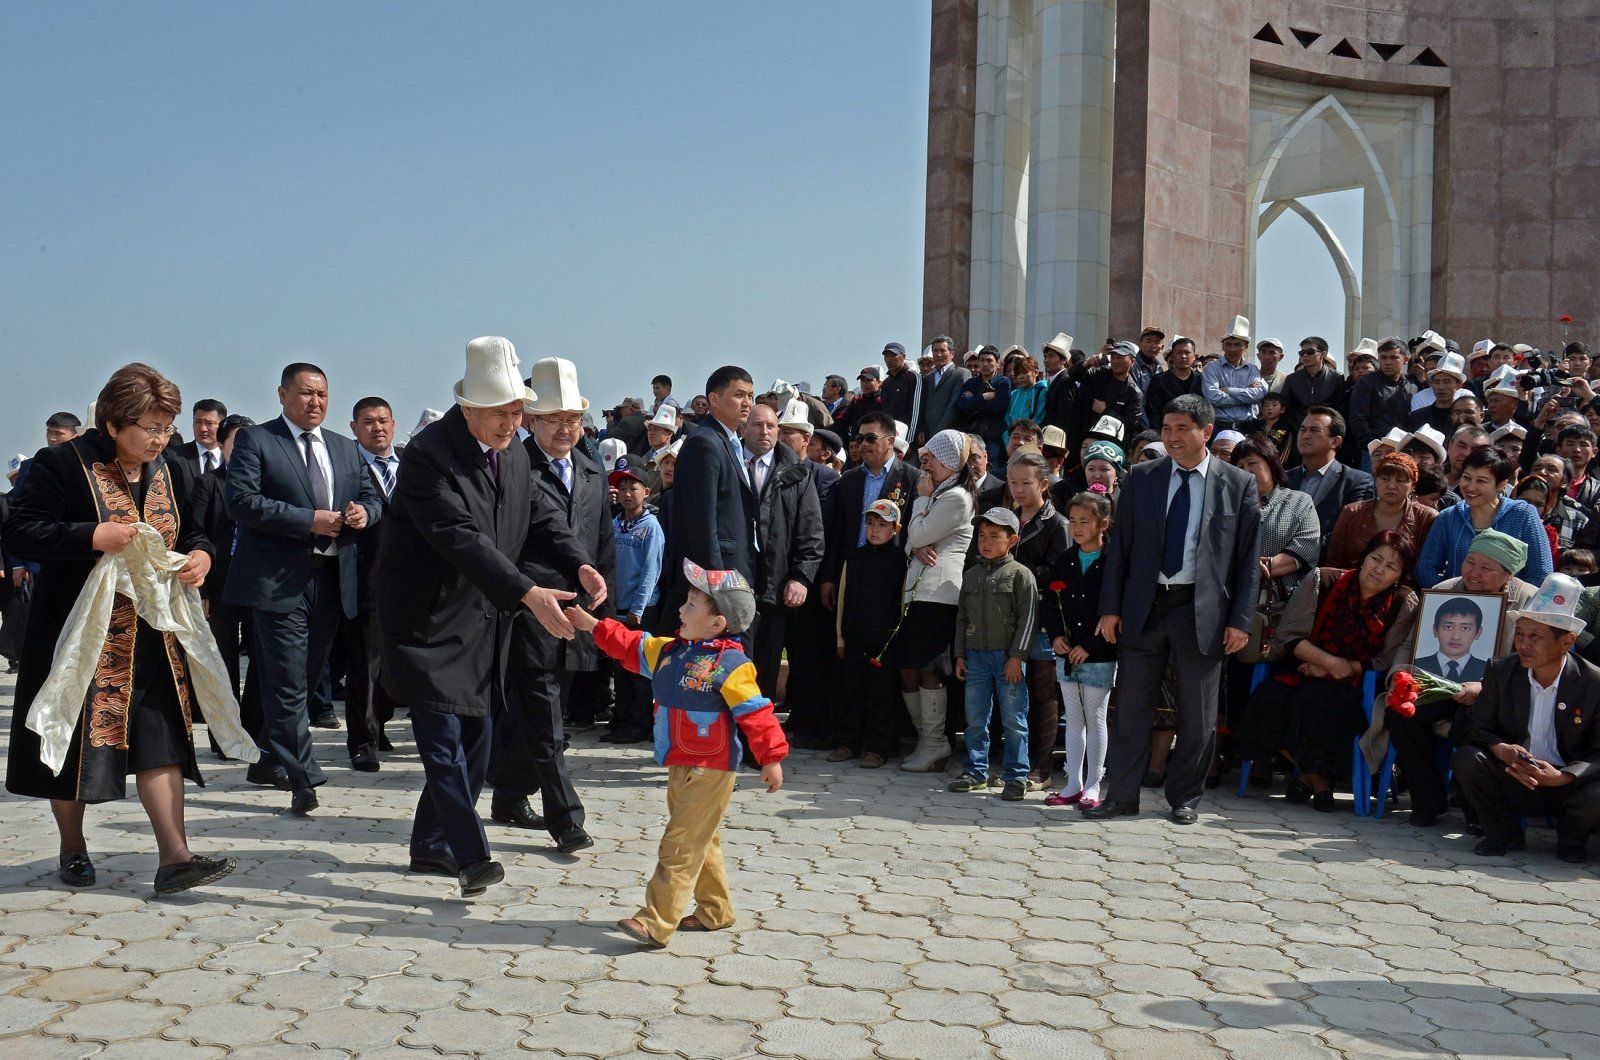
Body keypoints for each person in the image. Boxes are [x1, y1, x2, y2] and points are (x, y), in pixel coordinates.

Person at [5, 363, 252, 894]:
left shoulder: (173, 469)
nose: (161, 440)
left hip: (155, 631)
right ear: (114, 423)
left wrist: (202, 558)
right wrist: (91, 534)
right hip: (79, 633)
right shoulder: (61, 465)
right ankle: (73, 847)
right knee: (72, 741)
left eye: (167, 429)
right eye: (150, 428)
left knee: (161, 739)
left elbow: (199, 530)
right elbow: (20, 529)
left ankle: (174, 858)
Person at [376, 337, 578, 896]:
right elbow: (459, 538)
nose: (513, 423)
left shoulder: (513, 452)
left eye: (519, 411)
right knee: (441, 743)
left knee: (475, 742)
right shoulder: (425, 457)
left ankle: (429, 845)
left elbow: (538, 515)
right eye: (502, 413)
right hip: (426, 623)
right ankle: (471, 857)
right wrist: (527, 591)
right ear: (468, 409)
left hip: (481, 620)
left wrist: (578, 564)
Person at [574, 560, 788, 947]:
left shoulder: (731, 665)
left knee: (679, 844)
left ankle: (656, 921)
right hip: (679, 763)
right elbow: (631, 644)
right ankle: (715, 911)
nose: (680, 609)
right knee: (701, 841)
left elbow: (757, 713)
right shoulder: (670, 652)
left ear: (717, 623)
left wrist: (771, 757)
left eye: (691, 605)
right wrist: (593, 626)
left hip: (713, 769)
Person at [1086, 394, 1262, 825]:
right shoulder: (1142, 478)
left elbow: (1246, 560)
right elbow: (1120, 550)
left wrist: (1240, 620)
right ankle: (1121, 796)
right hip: (1146, 606)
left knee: (1198, 714)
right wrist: (1109, 608)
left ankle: (1184, 797)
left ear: (1207, 432)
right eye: (1166, 429)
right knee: (1131, 709)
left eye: (1183, 429)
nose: (1172, 437)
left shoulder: (1237, 484)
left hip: (1200, 609)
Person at [224, 362, 381, 815]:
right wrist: (306, 520)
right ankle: (303, 776)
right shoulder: (259, 440)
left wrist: (363, 516)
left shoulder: (344, 448)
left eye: (322, 395)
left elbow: (371, 496)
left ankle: (269, 758)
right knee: (289, 680)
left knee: (309, 677)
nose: (315, 402)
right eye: (307, 393)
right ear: (283, 394)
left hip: (333, 579)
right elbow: (242, 502)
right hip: (279, 581)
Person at [491, 357, 610, 853]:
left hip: (578, 609)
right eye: (555, 420)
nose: (567, 429)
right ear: (531, 421)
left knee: (547, 709)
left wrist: (603, 603)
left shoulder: (591, 467)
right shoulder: (512, 464)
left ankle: (510, 793)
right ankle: (567, 818)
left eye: (574, 419)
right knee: (546, 715)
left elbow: (602, 540)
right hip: (528, 608)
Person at [1231, 532, 1418, 812]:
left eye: (1391, 567)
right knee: (1268, 698)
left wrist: (1342, 670)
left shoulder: (1403, 601)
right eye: (1375, 559)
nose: (1379, 569)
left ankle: (1307, 779)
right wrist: (1329, 664)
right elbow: (1290, 634)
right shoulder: (1325, 579)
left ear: (1400, 576)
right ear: (1364, 557)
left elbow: (1386, 657)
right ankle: (1318, 782)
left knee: (1322, 703)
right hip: (1304, 665)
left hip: (1356, 680)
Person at [1382, 530, 1534, 826]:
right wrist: (1400, 676)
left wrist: (1485, 685)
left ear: (1508, 575)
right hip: (1439, 685)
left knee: (1471, 721)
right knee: (1400, 715)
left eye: (1486, 568)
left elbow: (1531, 659)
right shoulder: (1444, 590)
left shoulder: (1528, 599)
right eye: (1469, 562)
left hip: (1495, 695)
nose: (1473, 573)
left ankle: (1476, 807)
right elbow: (1409, 644)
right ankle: (1427, 800)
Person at [1453, 573, 1600, 863]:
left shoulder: (1593, 682)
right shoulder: (1501, 670)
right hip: (1515, 775)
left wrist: (1563, 776)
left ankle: (1572, 841)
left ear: (1566, 642)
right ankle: (1502, 833)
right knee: (1468, 759)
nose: (1523, 644)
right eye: (1520, 634)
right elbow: (1475, 727)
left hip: (1568, 785)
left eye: (1535, 636)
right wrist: (1501, 750)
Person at [898, 429, 979, 772]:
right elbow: (910, 541)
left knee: (930, 668)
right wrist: (915, 542)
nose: (924, 463)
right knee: (908, 667)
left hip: (939, 594)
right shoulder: (937, 494)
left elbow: (916, 532)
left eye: (930, 457)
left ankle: (934, 743)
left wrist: (918, 508)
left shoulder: (955, 497)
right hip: (918, 591)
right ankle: (926, 739)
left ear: (947, 460)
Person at [948, 508, 1037, 801]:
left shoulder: (1021, 575)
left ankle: (1016, 775)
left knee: (1014, 719)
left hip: (1007, 658)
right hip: (976, 657)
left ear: (1011, 540)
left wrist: (1017, 657)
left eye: (995, 536)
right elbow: (962, 618)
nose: (986, 542)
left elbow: (1028, 620)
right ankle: (975, 771)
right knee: (975, 718)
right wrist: (960, 654)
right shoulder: (971, 575)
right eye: (982, 535)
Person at [743, 400, 825, 709]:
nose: (764, 432)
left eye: (770, 426)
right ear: (744, 428)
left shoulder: (796, 473)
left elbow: (811, 530)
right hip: (733, 585)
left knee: (764, 667)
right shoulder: (730, 463)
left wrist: (801, 577)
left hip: (774, 589)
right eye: (757, 425)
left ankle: (755, 742)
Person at [662, 366, 759, 620]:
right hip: (713, 582)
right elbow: (702, 523)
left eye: (751, 395)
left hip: (734, 573)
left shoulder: (729, 441)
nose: (747, 402)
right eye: (739, 394)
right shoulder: (705, 442)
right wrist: (717, 585)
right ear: (714, 399)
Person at [1041, 489, 1116, 810]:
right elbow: (1049, 602)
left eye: (1085, 521)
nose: (1077, 527)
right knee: (1072, 716)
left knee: (1095, 716)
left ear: (1103, 524)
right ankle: (1073, 782)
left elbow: (1114, 610)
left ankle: (1094, 785)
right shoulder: (1065, 559)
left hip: (1099, 652)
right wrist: (1056, 636)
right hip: (1066, 652)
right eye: (1072, 521)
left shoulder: (1112, 561)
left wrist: (1090, 645)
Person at [826, 500, 909, 767]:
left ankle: (879, 748)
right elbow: (842, 598)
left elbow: (902, 602)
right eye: (871, 523)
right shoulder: (854, 557)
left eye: (882, 525)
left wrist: (897, 639)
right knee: (851, 691)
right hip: (854, 637)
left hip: (884, 642)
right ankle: (848, 742)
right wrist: (841, 637)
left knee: (883, 695)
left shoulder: (900, 562)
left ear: (895, 529)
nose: (875, 530)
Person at [344, 396, 400, 771]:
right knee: (365, 663)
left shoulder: (414, 464)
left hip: (412, 582)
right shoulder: (345, 468)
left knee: (399, 663)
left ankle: (380, 723)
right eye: (367, 422)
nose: (376, 428)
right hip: (365, 579)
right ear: (354, 428)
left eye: (382, 421)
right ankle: (363, 742)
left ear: (393, 424)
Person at [1006, 452, 1068, 789]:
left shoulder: (1057, 524)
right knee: (1014, 692)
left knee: (1044, 693)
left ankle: (1041, 769)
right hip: (1011, 617)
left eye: (1025, 483)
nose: (1018, 489)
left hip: (1043, 618)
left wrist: (1017, 573)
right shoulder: (1009, 519)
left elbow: (1060, 574)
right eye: (1013, 482)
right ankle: (1014, 762)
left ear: (1044, 484)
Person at [818, 410, 920, 611]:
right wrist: (829, 577)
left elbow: (912, 530)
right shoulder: (848, 478)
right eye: (860, 438)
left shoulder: (913, 478)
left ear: (891, 441)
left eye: (871, 438)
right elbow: (837, 531)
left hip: (891, 575)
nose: (863, 444)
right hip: (851, 572)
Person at [1416, 446, 1553, 588]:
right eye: (1467, 478)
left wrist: (1515, 601)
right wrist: (1447, 596)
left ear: (1501, 485)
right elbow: (1425, 569)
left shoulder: (1523, 514)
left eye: (1481, 481)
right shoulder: (1448, 517)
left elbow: (1541, 571)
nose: (1470, 487)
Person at [604, 456, 665, 744]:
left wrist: (637, 609)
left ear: (646, 493)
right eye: (623, 488)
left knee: (639, 671)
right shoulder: (615, 524)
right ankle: (622, 719)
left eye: (633, 488)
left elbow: (651, 571)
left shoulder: (650, 527)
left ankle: (639, 724)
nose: (627, 494)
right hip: (616, 606)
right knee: (620, 668)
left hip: (638, 611)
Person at [1326, 452, 1438, 569]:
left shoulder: (1426, 517)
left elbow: (1425, 567)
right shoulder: (1352, 512)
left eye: (1400, 480)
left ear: (1413, 486)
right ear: (1376, 481)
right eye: (1384, 478)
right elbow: (1334, 562)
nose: (1391, 485)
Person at [1286, 406, 1375, 550]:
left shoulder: (1357, 482)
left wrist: (1298, 554)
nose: (1305, 435)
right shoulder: (1285, 478)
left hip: (1326, 564)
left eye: (1314, 430)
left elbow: (1349, 532)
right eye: (1303, 429)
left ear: (1335, 441)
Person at [1066, 340, 1145, 458]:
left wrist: (1106, 412)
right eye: (1113, 357)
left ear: (1132, 361)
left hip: (1110, 446)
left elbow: (1131, 424)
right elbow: (1073, 375)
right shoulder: (1100, 374)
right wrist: (1087, 363)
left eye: (1120, 357)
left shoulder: (1134, 393)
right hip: (1084, 438)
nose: (1115, 361)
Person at [1347, 338, 1416, 455]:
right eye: (1384, 357)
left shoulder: (1412, 386)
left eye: (1393, 357)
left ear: (1405, 360)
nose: (1388, 362)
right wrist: (1370, 445)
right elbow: (1358, 418)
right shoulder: (1366, 382)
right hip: (1374, 450)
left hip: (1403, 450)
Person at [1201, 316, 1267, 433]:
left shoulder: (1252, 369)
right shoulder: (1211, 368)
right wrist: (1246, 396)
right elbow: (1213, 397)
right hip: (1220, 426)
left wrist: (1229, 390)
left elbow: (1258, 395)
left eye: (1237, 344)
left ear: (1246, 346)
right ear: (1222, 346)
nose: (1232, 349)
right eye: (1228, 344)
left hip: (1248, 427)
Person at [955, 347, 1011, 467]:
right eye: (982, 360)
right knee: (968, 471)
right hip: (971, 435)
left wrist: (973, 400)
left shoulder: (1003, 382)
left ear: (997, 363)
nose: (985, 364)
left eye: (989, 360)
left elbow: (999, 407)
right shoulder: (971, 383)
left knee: (990, 471)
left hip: (992, 437)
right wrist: (983, 397)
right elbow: (961, 405)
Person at [1415, 597, 1490, 682]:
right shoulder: (1415, 666)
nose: (1456, 637)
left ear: (1478, 633)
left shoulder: (1488, 670)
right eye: (1448, 627)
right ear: (1435, 630)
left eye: (1465, 628)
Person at [918, 334, 970, 444]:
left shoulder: (960, 374)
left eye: (942, 350)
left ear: (952, 353)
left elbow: (954, 406)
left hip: (950, 436)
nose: (938, 354)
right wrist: (921, 428)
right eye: (935, 351)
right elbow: (923, 406)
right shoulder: (928, 378)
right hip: (927, 436)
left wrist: (938, 433)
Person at [1282, 336, 1346, 424]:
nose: (1305, 355)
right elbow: (1284, 409)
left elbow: (1341, 411)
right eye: (1302, 353)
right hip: (1297, 433)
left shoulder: (1337, 378)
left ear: (1323, 354)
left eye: (1310, 352)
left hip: (1325, 433)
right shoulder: (1292, 379)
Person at [1143, 336, 1203, 427]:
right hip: (1168, 430)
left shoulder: (1201, 380)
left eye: (1187, 353)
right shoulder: (1159, 380)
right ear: (1172, 356)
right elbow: (1153, 411)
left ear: (1194, 356)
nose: (1183, 356)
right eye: (1179, 353)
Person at [1408, 351, 1466, 436]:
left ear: (1459, 384)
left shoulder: (1464, 417)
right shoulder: (1417, 417)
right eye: (1436, 382)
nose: (1441, 387)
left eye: (1446, 382)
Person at [171, 398, 228, 479]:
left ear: (222, 425)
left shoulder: (232, 459)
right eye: (198, 422)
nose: (203, 429)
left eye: (209, 423)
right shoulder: (174, 457)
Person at [878, 342, 923, 442]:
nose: (889, 359)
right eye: (886, 356)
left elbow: (916, 412)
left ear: (903, 356)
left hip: (906, 440)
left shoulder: (913, 377)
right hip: (888, 439)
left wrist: (908, 442)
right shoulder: (886, 382)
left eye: (893, 355)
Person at [1004, 356, 1049, 445]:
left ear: (1035, 372)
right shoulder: (1014, 394)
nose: (1020, 377)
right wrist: (1008, 438)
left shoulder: (1042, 391)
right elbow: (1007, 418)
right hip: (1012, 440)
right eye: (1018, 374)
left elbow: (1039, 416)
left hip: (1031, 439)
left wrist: (1025, 434)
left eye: (1024, 372)